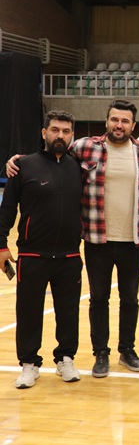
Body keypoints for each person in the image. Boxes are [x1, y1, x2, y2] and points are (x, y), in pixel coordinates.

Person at [6, 99, 139, 377]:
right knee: (98, 298)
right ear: (106, 121)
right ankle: (100, 353)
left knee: (130, 299)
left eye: (125, 121)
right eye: (114, 119)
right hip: (95, 239)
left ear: (133, 126)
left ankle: (125, 350)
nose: (119, 125)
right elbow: (47, 156)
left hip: (132, 240)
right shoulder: (85, 147)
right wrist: (17, 161)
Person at [0, 111, 83, 388]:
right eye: (55, 130)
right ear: (44, 133)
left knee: (68, 312)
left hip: (70, 256)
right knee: (28, 312)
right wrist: (1, 245)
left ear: (72, 136)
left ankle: (65, 359)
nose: (61, 135)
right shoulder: (23, 166)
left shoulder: (79, 167)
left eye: (66, 131)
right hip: (31, 256)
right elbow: (7, 210)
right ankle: (29, 364)